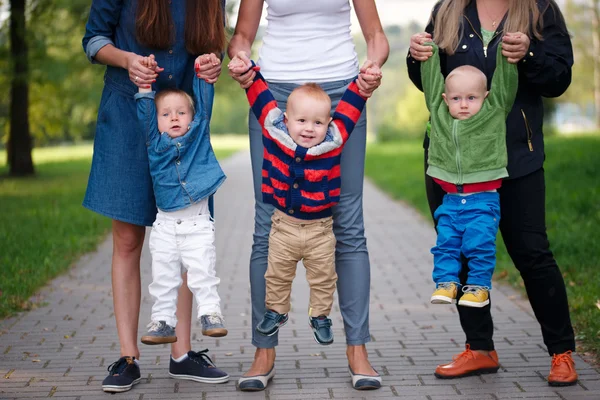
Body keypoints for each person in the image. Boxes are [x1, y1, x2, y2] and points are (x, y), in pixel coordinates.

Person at [407, 0, 578, 386]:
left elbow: (559, 78)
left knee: (533, 256)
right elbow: (431, 83)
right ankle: (480, 348)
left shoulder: (540, 10)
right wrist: (415, 57)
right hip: (452, 165)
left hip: (517, 159)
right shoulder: (448, 9)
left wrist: (529, 54)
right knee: (464, 251)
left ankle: (562, 353)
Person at [228, 0, 389, 392]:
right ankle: (263, 352)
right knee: (267, 223)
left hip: (342, 92)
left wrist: (373, 66)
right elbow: (242, 37)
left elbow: (376, 36)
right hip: (276, 95)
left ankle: (358, 350)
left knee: (348, 223)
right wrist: (241, 60)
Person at [82, 0, 228, 393]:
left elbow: (214, 45)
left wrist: (213, 64)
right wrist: (127, 59)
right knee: (128, 239)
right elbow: (93, 40)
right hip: (128, 116)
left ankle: (182, 354)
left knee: (186, 237)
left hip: (183, 125)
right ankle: (128, 357)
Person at [229, 56, 375, 346]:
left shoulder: (333, 141)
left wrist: (361, 87)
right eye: (302, 121)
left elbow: (348, 111)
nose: (309, 128)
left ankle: (320, 316)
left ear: (328, 124)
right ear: (287, 120)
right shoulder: (275, 132)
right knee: (276, 275)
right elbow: (261, 100)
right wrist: (250, 74)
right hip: (283, 227)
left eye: (318, 122)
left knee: (323, 278)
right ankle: (276, 311)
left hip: (321, 230)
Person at [135, 55, 228, 348]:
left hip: (197, 225)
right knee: (162, 277)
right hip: (163, 227)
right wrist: (146, 86)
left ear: (192, 116)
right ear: (157, 119)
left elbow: (204, 102)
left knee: (202, 272)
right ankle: (162, 322)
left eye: (181, 112)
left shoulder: (198, 134)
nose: (174, 117)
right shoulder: (153, 141)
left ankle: (211, 314)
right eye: (166, 114)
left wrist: (202, 73)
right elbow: (146, 111)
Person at [422, 42, 517, 309]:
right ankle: (446, 282)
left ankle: (478, 288)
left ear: (485, 97)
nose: (463, 105)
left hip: (482, 201)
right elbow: (431, 81)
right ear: (444, 99)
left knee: (479, 245)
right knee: (445, 244)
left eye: (471, 98)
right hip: (450, 200)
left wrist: (506, 54)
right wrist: (428, 51)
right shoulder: (439, 113)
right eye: (456, 98)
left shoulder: (494, 110)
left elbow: (505, 83)